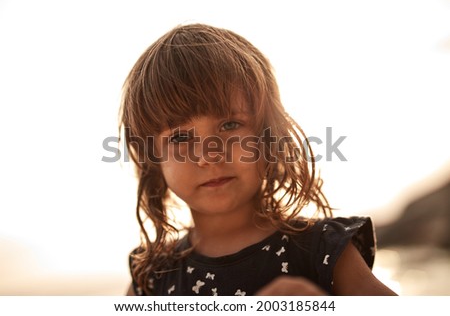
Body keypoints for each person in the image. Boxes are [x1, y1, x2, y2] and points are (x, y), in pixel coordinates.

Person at [120, 23, 397, 296]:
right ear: (152, 160)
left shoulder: (322, 251)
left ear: (268, 136)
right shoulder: (152, 279)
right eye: (180, 138)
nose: (209, 155)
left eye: (229, 125)